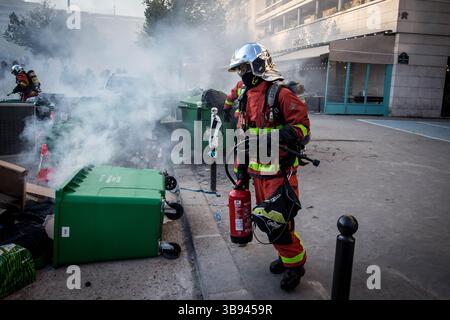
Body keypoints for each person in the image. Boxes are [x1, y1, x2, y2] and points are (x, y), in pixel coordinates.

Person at [225, 43, 311, 291]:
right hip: (257, 174)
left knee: (278, 223)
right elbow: (244, 139)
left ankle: (296, 266)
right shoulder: (246, 97)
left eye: (244, 68)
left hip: (280, 173)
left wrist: (282, 135)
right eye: (239, 69)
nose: (242, 74)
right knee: (271, 222)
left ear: (258, 66)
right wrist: (241, 174)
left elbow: (303, 128)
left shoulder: (280, 94)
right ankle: (287, 257)